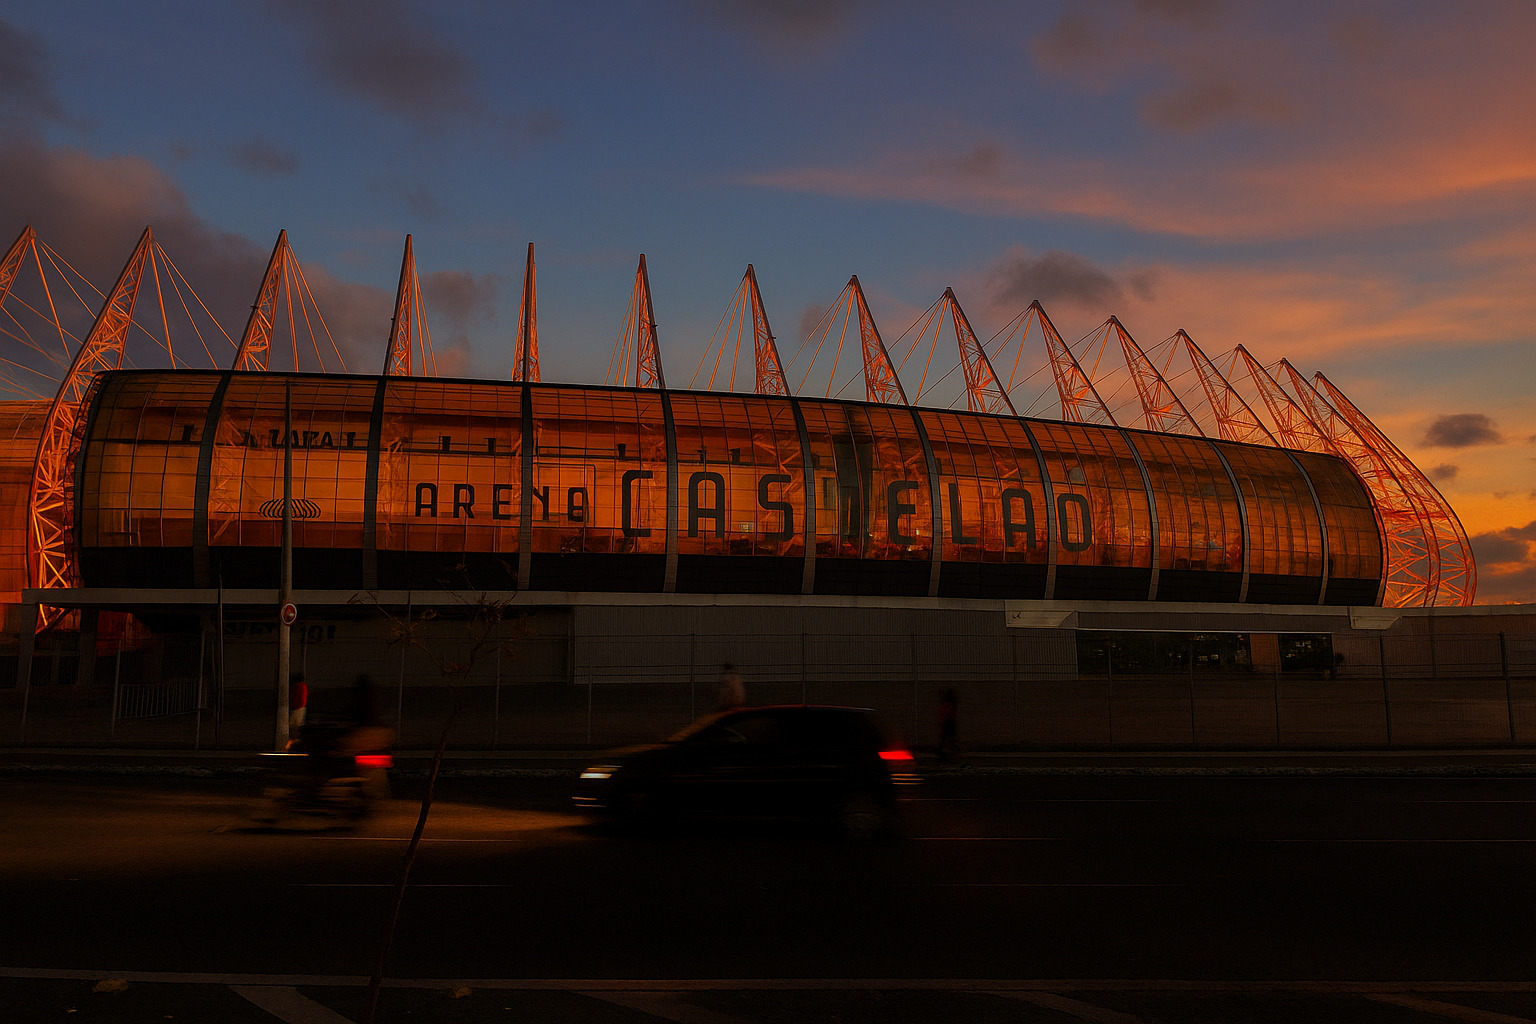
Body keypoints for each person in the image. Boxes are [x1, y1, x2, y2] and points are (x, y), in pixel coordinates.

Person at [937, 687, 959, 760]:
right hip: (949, 723)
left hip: (947, 723)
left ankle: (944, 752)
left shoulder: (945, 705)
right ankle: (950, 751)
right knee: (949, 738)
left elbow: (944, 715)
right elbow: (949, 715)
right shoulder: (950, 705)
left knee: (945, 738)